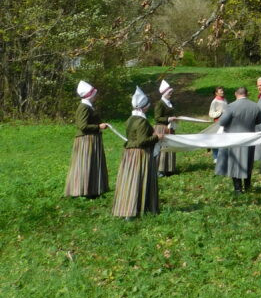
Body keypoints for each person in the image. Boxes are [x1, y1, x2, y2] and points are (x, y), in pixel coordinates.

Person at [112, 87, 163, 218]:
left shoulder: (130, 119)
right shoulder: (141, 121)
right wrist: (157, 137)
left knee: (129, 181)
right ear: (144, 107)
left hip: (129, 154)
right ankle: (136, 209)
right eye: (147, 106)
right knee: (138, 181)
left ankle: (127, 209)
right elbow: (142, 141)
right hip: (140, 155)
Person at [65, 80, 110, 198]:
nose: (96, 96)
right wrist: (98, 126)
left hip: (91, 139)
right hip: (86, 140)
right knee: (86, 164)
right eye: (94, 95)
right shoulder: (84, 107)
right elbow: (82, 126)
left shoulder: (88, 106)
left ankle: (92, 189)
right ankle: (84, 190)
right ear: (89, 95)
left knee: (91, 164)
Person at [215, 87, 261, 193]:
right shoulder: (255, 106)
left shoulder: (231, 106)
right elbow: (260, 120)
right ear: (247, 94)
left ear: (236, 94)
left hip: (234, 139)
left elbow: (222, 122)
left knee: (235, 163)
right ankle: (248, 187)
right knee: (248, 162)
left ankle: (238, 189)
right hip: (249, 139)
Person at [152, 79, 178, 177]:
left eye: (171, 92)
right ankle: (159, 170)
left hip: (170, 128)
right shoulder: (160, 104)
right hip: (161, 128)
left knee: (170, 147)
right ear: (165, 93)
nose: (171, 94)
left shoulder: (170, 102)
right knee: (162, 149)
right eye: (169, 93)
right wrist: (168, 119)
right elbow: (157, 118)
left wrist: (174, 119)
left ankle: (169, 168)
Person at [206, 86, 228, 161]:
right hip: (218, 123)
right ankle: (216, 157)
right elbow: (211, 113)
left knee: (224, 139)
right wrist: (220, 112)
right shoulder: (214, 102)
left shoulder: (224, 100)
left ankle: (223, 157)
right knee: (216, 140)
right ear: (216, 93)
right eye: (220, 91)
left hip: (225, 123)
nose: (222, 92)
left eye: (222, 90)